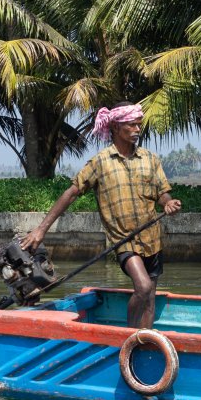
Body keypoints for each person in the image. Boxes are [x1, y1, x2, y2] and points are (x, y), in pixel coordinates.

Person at [20, 101, 181, 328]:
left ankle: (144, 341)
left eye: (139, 125)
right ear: (115, 127)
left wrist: (168, 203)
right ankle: (128, 340)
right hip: (124, 240)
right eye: (132, 125)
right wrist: (40, 230)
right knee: (143, 287)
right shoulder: (101, 162)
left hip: (152, 239)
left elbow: (162, 193)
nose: (137, 130)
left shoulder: (150, 159)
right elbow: (72, 192)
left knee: (150, 296)